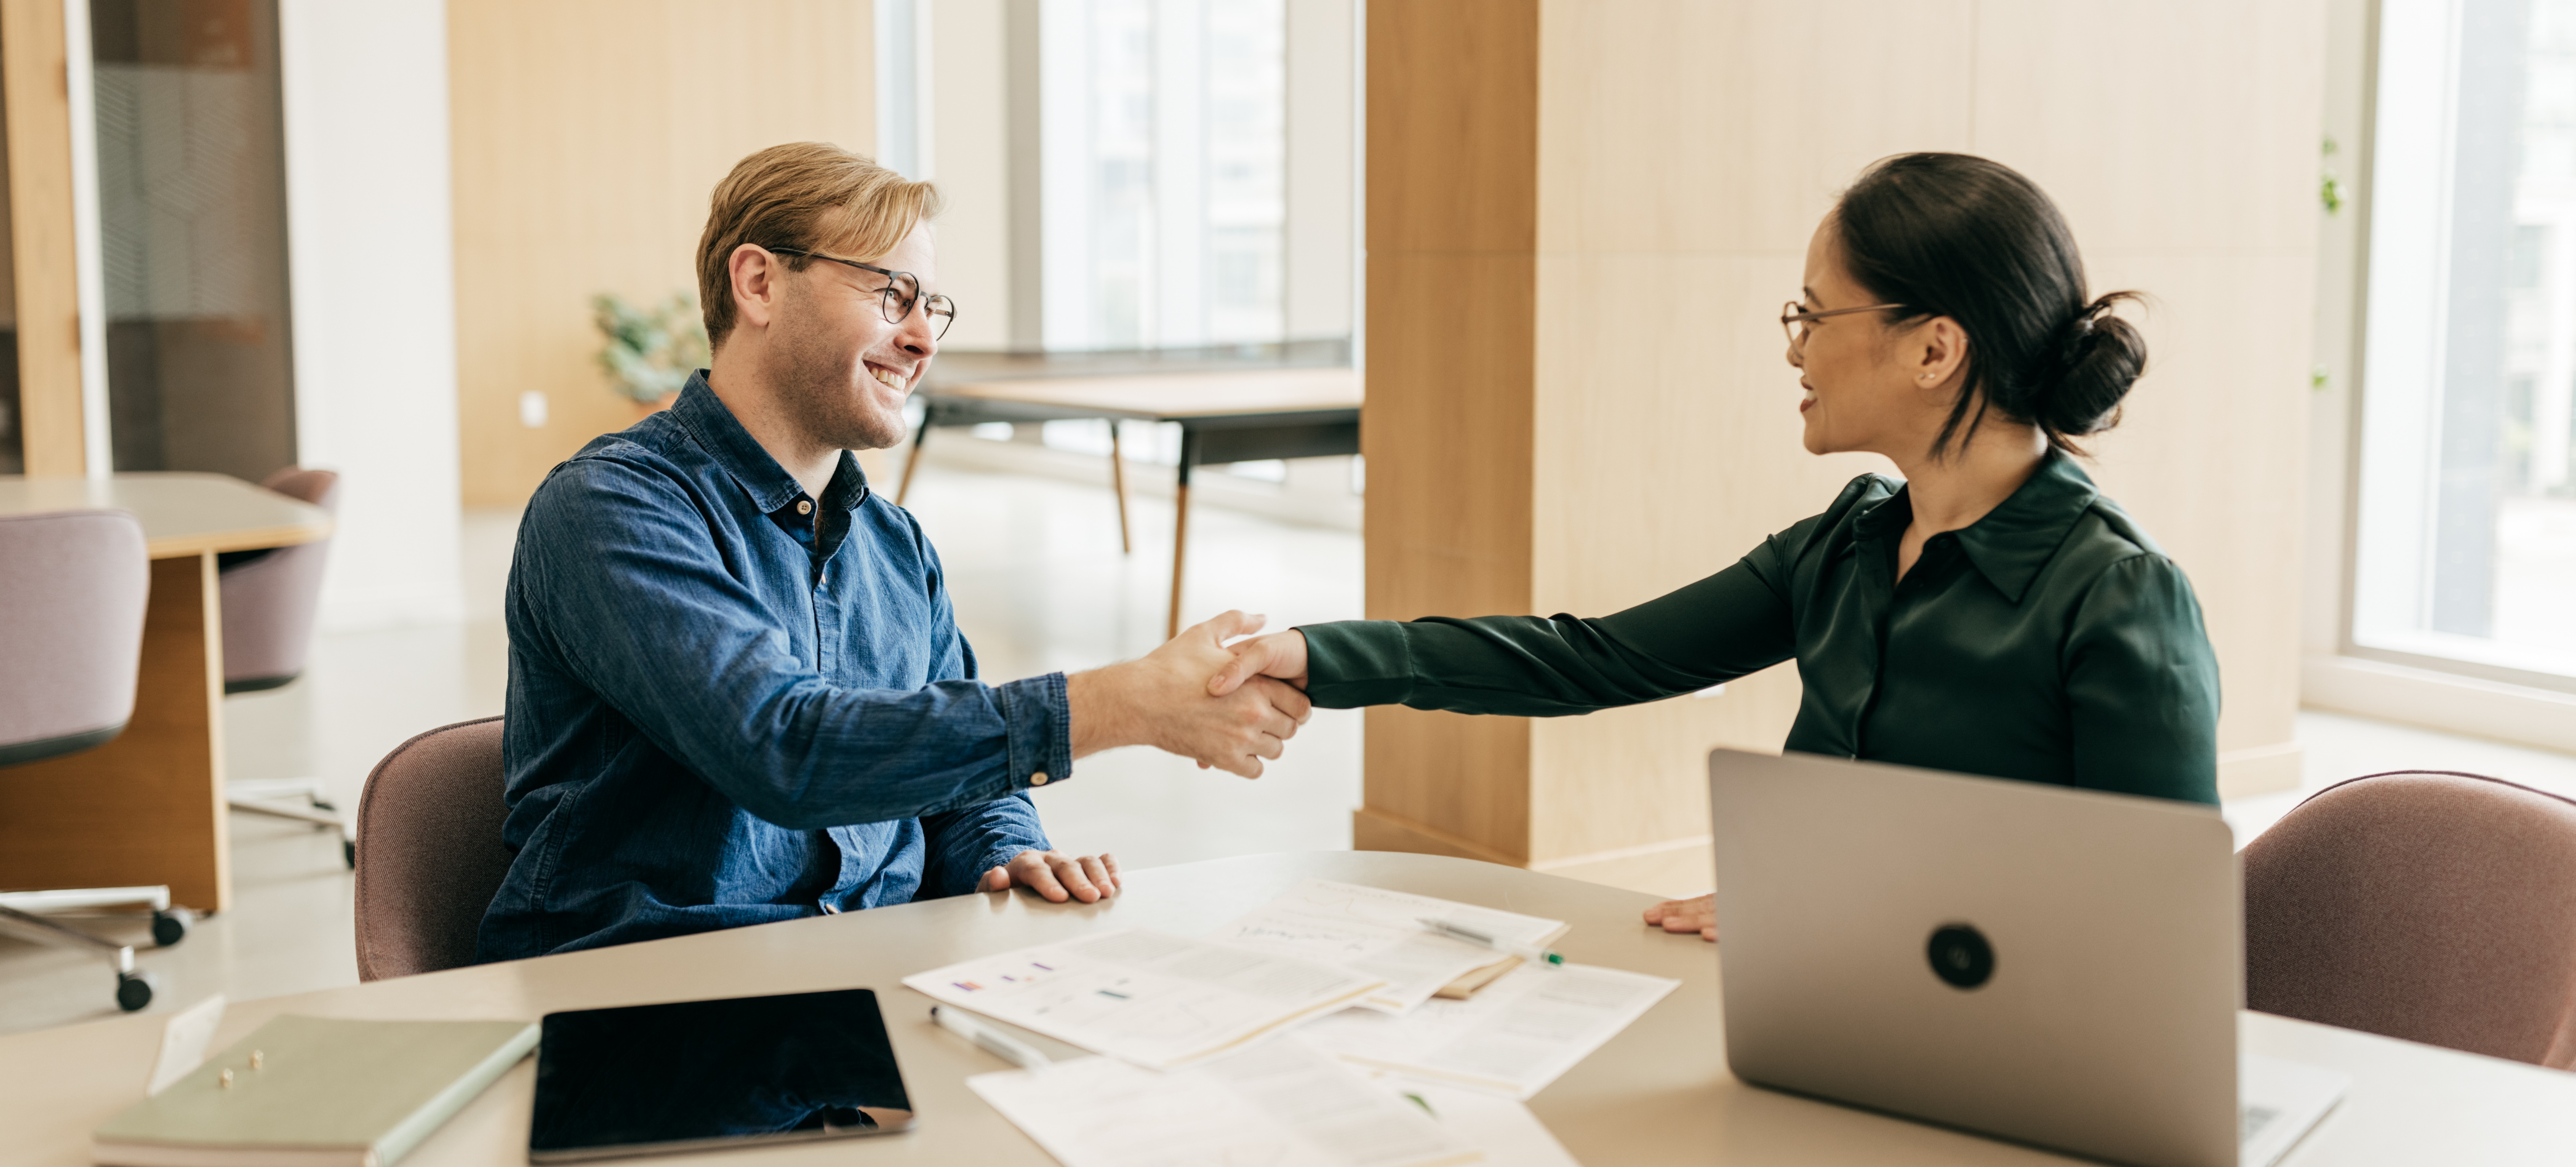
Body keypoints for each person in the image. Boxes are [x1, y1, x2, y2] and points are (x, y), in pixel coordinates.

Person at [1208, 152, 2219, 943]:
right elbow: (1591, 657)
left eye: (1815, 315)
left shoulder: (2120, 594)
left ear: (1933, 348)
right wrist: (1317, 656)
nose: (1794, 347)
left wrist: (1848, 906)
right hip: (1816, 995)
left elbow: (2159, 909)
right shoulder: (1852, 541)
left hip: (2008, 1046)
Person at [478, 143, 1313, 962]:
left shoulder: (896, 544)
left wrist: (1003, 849)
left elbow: (968, 794)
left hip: (859, 981)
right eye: (891, 293)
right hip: (646, 1002)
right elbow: (782, 748)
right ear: (760, 283)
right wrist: (1122, 702)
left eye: (931, 307)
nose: (922, 338)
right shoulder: (609, 507)